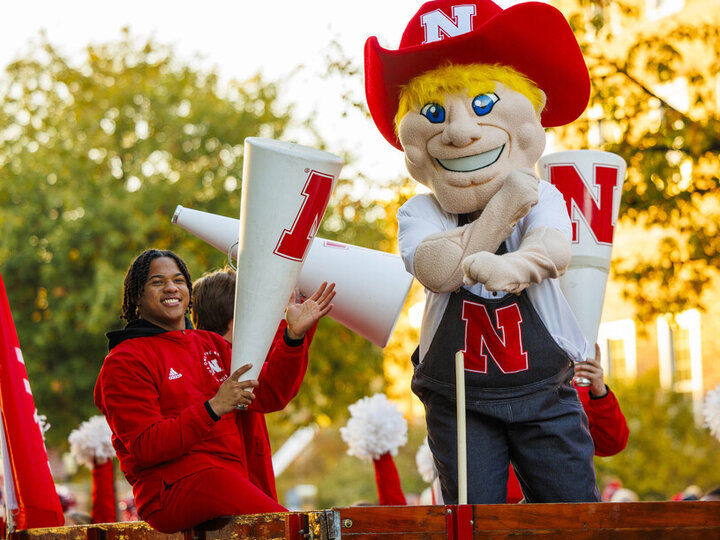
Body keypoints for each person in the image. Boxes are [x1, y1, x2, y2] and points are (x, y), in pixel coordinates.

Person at [364, 0, 600, 503]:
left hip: (544, 390)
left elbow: (553, 249)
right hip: (459, 398)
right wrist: (504, 208)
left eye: (483, 104)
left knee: (574, 517)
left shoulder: (549, 195)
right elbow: (437, 269)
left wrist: (508, 266)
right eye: (434, 114)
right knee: (473, 522)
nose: (460, 131)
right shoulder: (420, 211)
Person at [94, 249, 334, 533]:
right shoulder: (124, 361)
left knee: (239, 493)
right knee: (288, 525)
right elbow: (146, 446)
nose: (171, 287)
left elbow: (270, 393)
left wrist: (293, 338)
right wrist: (213, 408)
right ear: (137, 296)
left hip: (226, 482)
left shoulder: (210, 343)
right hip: (170, 492)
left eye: (179, 280)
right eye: (157, 282)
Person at [190, 267, 335, 504]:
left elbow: (271, 362)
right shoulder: (217, 363)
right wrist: (291, 334)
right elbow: (273, 388)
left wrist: (292, 327)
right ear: (238, 321)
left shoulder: (221, 354)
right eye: (260, 311)